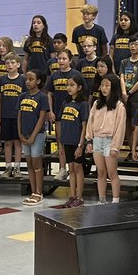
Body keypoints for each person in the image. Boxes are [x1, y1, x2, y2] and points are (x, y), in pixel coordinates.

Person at [86, 74, 127, 204]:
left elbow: (120, 127)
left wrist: (116, 146)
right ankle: (101, 199)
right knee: (101, 172)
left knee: (112, 173)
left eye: (107, 85)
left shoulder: (119, 106)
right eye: (102, 85)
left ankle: (115, 201)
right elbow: (90, 122)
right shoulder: (97, 103)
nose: (103, 88)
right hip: (97, 139)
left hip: (110, 140)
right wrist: (89, 140)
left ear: (113, 87)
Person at [46, 50, 83, 184]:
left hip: (73, 114)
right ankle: (62, 168)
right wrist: (50, 111)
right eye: (59, 59)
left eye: (63, 59)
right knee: (60, 141)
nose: (60, 61)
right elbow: (49, 93)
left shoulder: (76, 74)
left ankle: (73, 168)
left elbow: (83, 92)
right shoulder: (54, 76)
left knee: (71, 141)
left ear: (70, 60)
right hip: (58, 113)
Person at [53, 76, 89, 208]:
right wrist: (61, 143)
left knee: (78, 168)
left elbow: (84, 126)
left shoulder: (83, 104)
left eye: (72, 85)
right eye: (67, 85)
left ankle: (80, 197)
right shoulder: (65, 103)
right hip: (67, 140)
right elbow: (62, 122)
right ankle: (72, 195)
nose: (68, 87)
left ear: (79, 87)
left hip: (77, 141)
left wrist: (81, 145)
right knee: (71, 169)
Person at [18, 70, 51, 206]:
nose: (27, 81)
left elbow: (41, 118)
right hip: (24, 135)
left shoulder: (42, 97)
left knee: (37, 164)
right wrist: (20, 133)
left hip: (37, 135)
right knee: (29, 164)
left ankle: (39, 193)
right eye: (26, 79)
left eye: (31, 79)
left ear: (37, 81)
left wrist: (33, 136)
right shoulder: (22, 96)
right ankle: (33, 191)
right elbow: (19, 116)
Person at [0, 53, 25, 180]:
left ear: (18, 64)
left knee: (18, 142)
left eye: (13, 63)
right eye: (7, 63)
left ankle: (17, 167)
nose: (10, 65)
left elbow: (25, 98)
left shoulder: (23, 80)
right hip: (6, 115)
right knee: (7, 143)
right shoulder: (1, 80)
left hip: (18, 116)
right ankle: (8, 167)